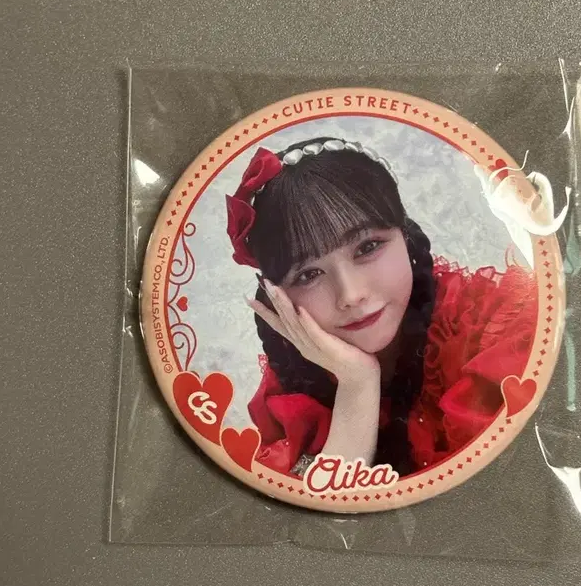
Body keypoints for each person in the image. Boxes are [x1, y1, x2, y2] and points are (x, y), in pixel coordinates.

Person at [225, 137, 538, 477]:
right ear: (276, 296)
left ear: (404, 234)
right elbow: (316, 508)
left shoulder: (495, 334)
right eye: (308, 275)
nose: (351, 294)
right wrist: (356, 384)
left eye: (367, 247)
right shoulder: (296, 378)